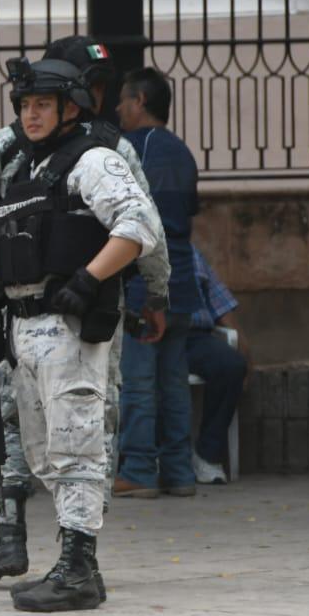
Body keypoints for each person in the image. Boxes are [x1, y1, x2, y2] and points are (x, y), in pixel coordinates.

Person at [0, 36, 170, 587]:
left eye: (42, 103)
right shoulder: (18, 157)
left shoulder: (96, 156)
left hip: (74, 319)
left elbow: (141, 227)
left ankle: (78, 564)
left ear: (70, 104)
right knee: (33, 439)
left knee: (80, 433)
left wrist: (100, 281)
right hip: (19, 319)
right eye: (26, 104)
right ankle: (25, 544)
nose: (31, 114)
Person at [113, 68, 200, 498]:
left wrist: (147, 293)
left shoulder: (135, 150)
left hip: (150, 284)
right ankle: (181, 473)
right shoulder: (183, 152)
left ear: (141, 100)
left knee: (140, 383)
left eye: (123, 100)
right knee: (174, 384)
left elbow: (145, 226)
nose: (117, 108)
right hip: (185, 282)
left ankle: (140, 471)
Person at [187, 245, 250, 484]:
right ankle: (160, 459)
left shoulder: (191, 252)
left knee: (231, 365)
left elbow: (222, 306)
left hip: (195, 337)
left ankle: (207, 455)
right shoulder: (130, 240)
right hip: (152, 338)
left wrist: (245, 353)